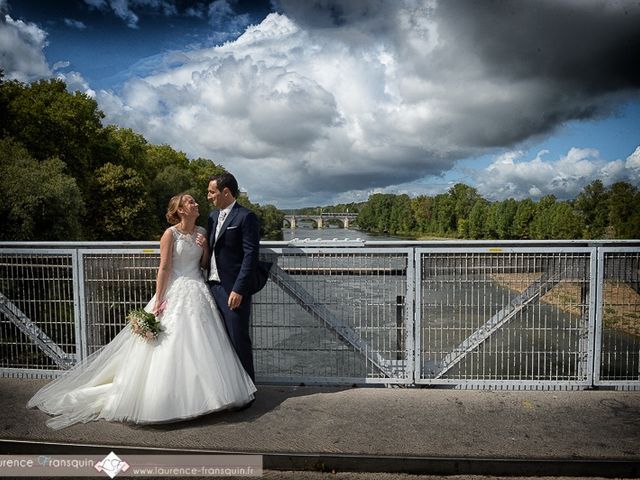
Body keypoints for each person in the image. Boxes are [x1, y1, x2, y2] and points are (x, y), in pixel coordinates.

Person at [27, 194, 256, 429]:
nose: (196, 203)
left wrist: (205, 248)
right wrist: (159, 298)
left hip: (198, 289)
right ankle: (168, 401)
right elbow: (165, 267)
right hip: (175, 290)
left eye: (195, 201)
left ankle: (210, 398)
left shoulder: (201, 232)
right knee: (170, 344)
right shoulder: (169, 234)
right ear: (180, 210)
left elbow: (205, 265)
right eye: (190, 202)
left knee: (204, 343)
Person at [206, 173, 260, 384]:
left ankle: (248, 389)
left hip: (233, 290)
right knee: (218, 340)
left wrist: (239, 289)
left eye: (212, 192)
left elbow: (250, 255)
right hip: (211, 286)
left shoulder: (246, 217)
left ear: (225, 192)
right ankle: (226, 388)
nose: (208, 196)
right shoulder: (211, 217)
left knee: (238, 339)